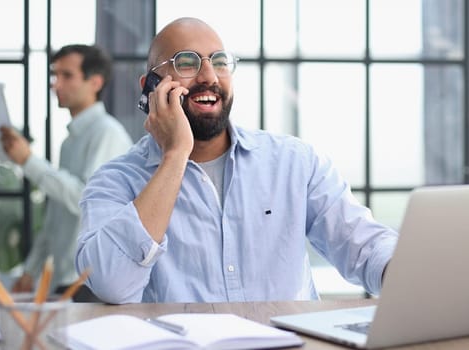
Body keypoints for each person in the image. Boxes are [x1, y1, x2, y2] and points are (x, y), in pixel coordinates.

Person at [75, 17, 398, 304]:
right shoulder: (115, 180)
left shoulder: (295, 163)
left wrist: (412, 275)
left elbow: (364, 247)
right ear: (150, 87)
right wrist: (174, 156)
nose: (208, 76)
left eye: (219, 61)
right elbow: (110, 284)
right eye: (186, 62)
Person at [0, 44, 133, 300]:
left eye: (66, 75)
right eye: (54, 74)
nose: (55, 83)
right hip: (65, 282)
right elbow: (56, 217)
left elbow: (83, 198)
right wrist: (30, 270)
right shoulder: (69, 141)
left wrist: (29, 161)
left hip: (88, 282)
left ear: (95, 82)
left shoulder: (107, 133)